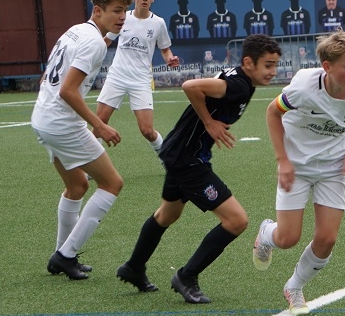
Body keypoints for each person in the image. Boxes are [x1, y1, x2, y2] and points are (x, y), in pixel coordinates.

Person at [116, 35, 283, 302]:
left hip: (180, 152)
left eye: (276, 65)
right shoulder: (238, 85)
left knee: (167, 215)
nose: (273, 71)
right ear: (248, 62)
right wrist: (208, 122)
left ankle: (134, 267)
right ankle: (186, 276)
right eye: (268, 65)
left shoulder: (242, 80)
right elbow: (190, 85)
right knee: (236, 221)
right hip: (187, 159)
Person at [252, 31, 345, 315]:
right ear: (327, 67)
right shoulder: (304, 87)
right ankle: (266, 234)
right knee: (287, 239)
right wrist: (282, 160)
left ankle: (294, 287)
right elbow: (272, 112)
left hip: (332, 167)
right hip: (296, 165)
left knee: (327, 238)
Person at [32, 0, 134, 280]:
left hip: (42, 119)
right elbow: (68, 91)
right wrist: (100, 125)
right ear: (98, 9)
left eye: (124, 11)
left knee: (77, 186)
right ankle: (65, 255)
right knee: (112, 183)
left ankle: (63, 253)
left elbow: (47, 79)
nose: (122, 17)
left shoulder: (75, 31)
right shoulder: (93, 42)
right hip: (62, 124)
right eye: (116, 11)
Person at [96, 0, 181, 154]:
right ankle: (89, 165)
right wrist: (89, 52)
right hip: (117, 76)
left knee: (147, 131)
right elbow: (106, 41)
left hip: (141, 80)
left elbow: (165, 50)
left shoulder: (158, 23)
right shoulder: (123, 17)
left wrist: (170, 59)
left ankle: (168, 158)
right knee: (99, 122)